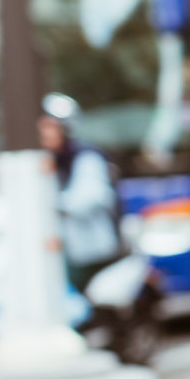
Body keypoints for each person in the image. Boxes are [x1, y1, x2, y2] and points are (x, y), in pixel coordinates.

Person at [37, 93, 122, 288]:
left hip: (88, 252)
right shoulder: (44, 160)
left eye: (51, 127)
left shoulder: (86, 158)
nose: (45, 133)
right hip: (61, 249)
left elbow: (86, 200)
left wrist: (46, 202)